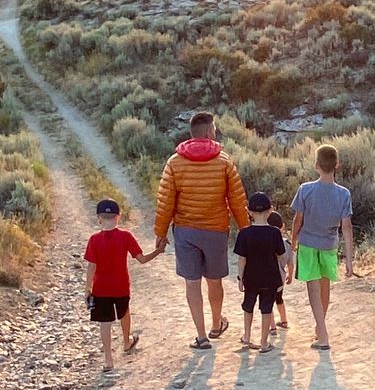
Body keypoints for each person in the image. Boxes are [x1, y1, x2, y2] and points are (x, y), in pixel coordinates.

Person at [153, 110, 250, 348]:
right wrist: (246, 228)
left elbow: (166, 200)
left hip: (186, 230)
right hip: (216, 229)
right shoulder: (224, 161)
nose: (216, 134)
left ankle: (201, 335)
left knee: (192, 282)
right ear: (208, 132)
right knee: (214, 281)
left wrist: (160, 231)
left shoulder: (174, 162)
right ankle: (217, 324)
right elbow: (237, 199)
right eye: (214, 130)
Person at [289, 144, 355, 350]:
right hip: (329, 245)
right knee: (325, 288)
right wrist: (350, 261)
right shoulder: (344, 194)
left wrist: (293, 241)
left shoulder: (306, 189)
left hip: (308, 244)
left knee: (313, 289)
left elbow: (297, 219)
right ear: (337, 165)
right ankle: (320, 327)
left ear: (316, 165)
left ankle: (323, 334)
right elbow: (347, 228)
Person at [82, 196, 155, 369]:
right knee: (124, 312)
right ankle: (126, 341)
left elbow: (91, 267)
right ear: (118, 217)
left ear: (99, 218)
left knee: (105, 323)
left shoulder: (94, 239)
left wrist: (87, 288)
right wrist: (158, 251)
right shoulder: (125, 236)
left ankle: (108, 359)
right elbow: (142, 259)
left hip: (101, 288)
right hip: (121, 286)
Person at [234, 191, 288, 352]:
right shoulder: (275, 233)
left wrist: (240, 278)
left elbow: (242, 259)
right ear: (270, 210)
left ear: (248, 211)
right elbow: (281, 255)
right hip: (270, 278)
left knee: (248, 306)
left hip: (251, 278)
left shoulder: (244, 233)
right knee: (266, 308)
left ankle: (247, 336)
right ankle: (264, 343)